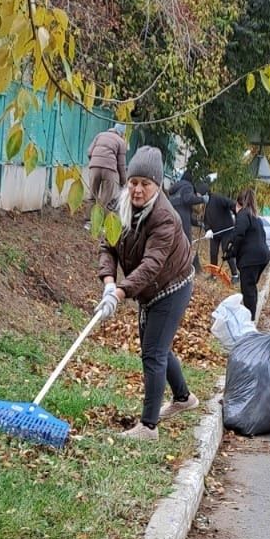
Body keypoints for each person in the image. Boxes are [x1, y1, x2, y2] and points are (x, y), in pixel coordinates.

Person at [97, 146, 199, 441]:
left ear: (157, 185)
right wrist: (107, 283)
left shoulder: (165, 217)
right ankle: (183, 399)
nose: (138, 190)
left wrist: (120, 292)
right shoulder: (120, 206)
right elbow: (108, 245)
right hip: (148, 288)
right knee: (159, 348)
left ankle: (148, 427)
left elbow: (151, 264)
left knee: (153, 352)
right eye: (133, 182)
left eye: (145, 184)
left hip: (172, 286)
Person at [229, 188, 270, 320]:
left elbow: (239, 234)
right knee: (251, 287)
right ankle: (251, 317)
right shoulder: (255, 217)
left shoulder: (243, 213)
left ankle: (249, 321)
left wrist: (232, 252)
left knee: (247, 290)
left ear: (238, 203)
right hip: (262, 257)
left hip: (250, 258)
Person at [87, 122, 127, 211]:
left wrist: (95, 162)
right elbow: (121, 164)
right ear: (122, 133)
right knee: (105, 199)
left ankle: (88, 222)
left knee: (92, 196)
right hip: (109, 170)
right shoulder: (121, 142)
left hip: (94, 167)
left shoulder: (100, 135)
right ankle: (100, 221)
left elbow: (89, 152)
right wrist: (123, 181)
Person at [203, 184, 238, 278]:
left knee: (226, 251)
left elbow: (231, 204)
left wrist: (238, 216)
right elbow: (205, 220)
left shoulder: (217, 198)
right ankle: (213, 274)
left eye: (199, 195)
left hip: (227, 230)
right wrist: (207, 229)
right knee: (213, 253)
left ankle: (235, 275)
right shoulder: (204, 205)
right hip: (214, 233)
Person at [166, 169, 206, 240]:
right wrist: (202, 199)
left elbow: (188, 214)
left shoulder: (175, 189)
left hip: (171, 217)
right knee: (185, 242)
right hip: (182, 222)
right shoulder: (187, 186)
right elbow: (188, 199)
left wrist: (197, 223)